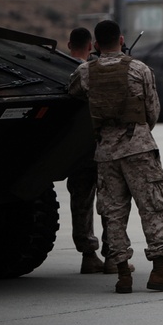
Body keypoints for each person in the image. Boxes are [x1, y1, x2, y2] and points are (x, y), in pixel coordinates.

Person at [68, 19, 163, 294]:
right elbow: (153, 110)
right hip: (139, 148)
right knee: (153, 207)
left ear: (96, 45)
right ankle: (159, 271)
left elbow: (72, 91)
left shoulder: (85, 72)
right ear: (121, 40)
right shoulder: (139, 69)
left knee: (113, 213)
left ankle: (122, 274)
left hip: (106, 152)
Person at [64, 27, 110, 274]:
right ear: (91, 45)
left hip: (76, 150)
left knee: (81, 201)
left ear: (69, 43)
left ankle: (88, 254)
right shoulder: (99, 69)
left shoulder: (63, 69)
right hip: (104, 146)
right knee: (110, 201)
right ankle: (113, 254)